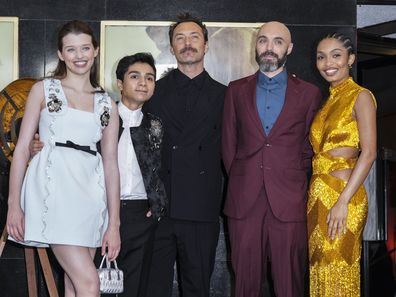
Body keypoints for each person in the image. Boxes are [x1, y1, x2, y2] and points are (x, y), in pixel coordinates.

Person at [30, 52, 167, 297]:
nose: (143, 83)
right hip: (96, 208)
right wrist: (37, 146)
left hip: (139, 215)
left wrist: (157, 203)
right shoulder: (98, 114)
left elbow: (165, 167)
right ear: (120, 83)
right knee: (88, 282)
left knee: (132, 287)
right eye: (135, 76)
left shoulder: (157, 124)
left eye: (149, 78)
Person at [6, 20, 120, 296]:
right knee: (90, 284)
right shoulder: (44, 90)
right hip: (53, 190)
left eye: (84, 48)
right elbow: (22, 149)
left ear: (95, 50)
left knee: (74, 284)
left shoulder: (107, 103)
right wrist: (13, 204)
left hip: (91, 197)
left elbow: (111, 163)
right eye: (71, 49)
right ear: (60, 54)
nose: (79, 56)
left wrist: (114, 222)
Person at [221, 21, 321, 297]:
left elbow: (308, 148)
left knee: (290, 284)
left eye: (277, 41)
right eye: (263, 40)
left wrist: (288, 177)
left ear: (289, 48)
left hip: (289, 200)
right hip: (244, 201)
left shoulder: (310, 93)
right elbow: (229, 145)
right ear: (256, 45)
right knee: (244, 284)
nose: (269, 47)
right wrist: (245, 177)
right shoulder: (235, 89)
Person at [143, 13, 226, 297]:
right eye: (180, 38)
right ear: (171, 47)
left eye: (194, 37)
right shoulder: (152, 92)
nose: (187, 43)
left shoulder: (226, 96)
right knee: (153, 288)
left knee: (196, 289)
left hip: (201, 209)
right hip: (157, 208)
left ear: (205, 46)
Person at [308, 32, 377, 296]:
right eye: (321, 57)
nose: (328, 63)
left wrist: (342, 202)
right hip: (317, 197)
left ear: (351, 59)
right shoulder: (327, 103)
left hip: (342, 196)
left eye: (336, 55)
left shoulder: (360, 96)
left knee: (339, 273)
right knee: (321, 272)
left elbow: (368, 153)